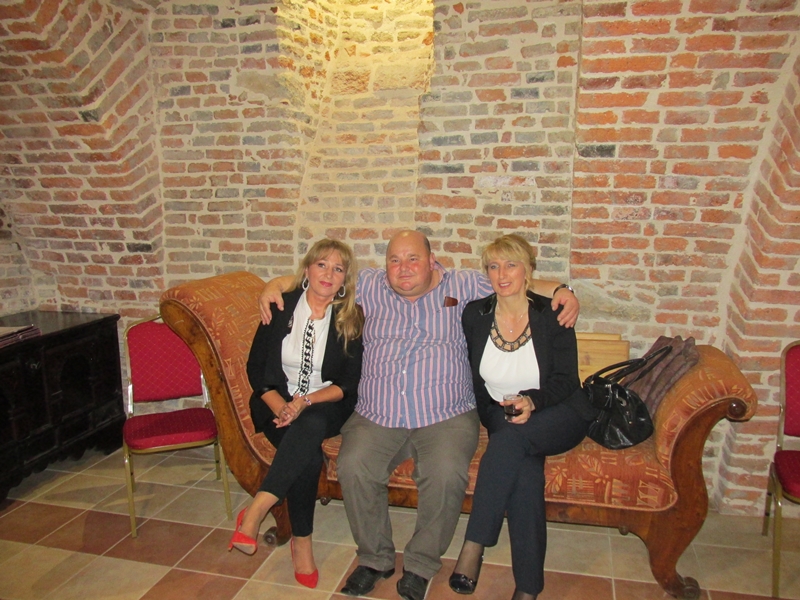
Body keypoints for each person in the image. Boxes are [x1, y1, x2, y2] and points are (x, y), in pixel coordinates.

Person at [258, 230, 579, 600]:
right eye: (394, 260)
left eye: (413, 259)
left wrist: (563, 290)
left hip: (446, 414)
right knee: (354, 464)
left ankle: (421, 565)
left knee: (445, 473)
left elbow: (514, 280)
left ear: (431, 260)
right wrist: (273, 285)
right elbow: (319, 278)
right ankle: (374, 558)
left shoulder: (463, 285)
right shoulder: (369, 286)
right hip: (377, 413)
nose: (404, 268)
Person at [448, 234, 596, 600]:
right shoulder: (475, 315)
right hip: (503, 414)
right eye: (494, 266)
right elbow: (477, 382)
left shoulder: (552, 314)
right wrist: (495, 414)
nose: (502, 274)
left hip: (558, 412)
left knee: (510, 441)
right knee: (525, 473)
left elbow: (566, 381)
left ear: (528, 269)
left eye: (511, 265)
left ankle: (473, 545)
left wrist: (532, 401)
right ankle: (528, 589)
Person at [228, 238, 363, 591]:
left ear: (345, 279)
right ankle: (302, 542)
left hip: (326, 403)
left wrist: (304, 402)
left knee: (312, 421)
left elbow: (348, 383)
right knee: (308, 454)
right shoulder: (281, 305)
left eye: (338, 269)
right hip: (274, 399)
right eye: (322, 265)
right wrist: (280, 405)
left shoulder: (350, 317)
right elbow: (256, 367)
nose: (328, 274)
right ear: (307, 269)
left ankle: (258, 508)